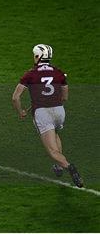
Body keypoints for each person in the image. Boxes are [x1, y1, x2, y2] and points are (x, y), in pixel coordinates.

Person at [12, 44, 83, 188]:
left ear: (38, 56)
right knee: (55, 133)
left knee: (52, 151)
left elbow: (15, 98)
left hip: (43, 113)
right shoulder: (59, 73)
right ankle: (59, 166)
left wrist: (21, 112)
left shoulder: (30, 74)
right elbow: (64, 97)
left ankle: (70, 167)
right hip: (59, 111)